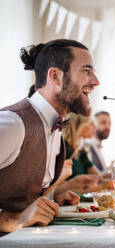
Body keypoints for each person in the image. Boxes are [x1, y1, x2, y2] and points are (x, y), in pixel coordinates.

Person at [0, 39, 99, 232]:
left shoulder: (54, 126)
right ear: (55, 76)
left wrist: (51, 199)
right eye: (86, 71)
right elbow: (17, 216)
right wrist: (12, 220)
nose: (95, 81)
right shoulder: (13, 124)